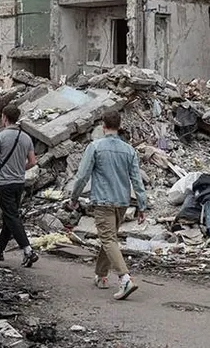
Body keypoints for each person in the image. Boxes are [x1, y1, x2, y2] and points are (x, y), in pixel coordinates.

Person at [68, 111, 147, 300]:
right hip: (122, 202)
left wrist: (74, 197)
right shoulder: (129, 150)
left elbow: (82, 176)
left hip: (103, 201)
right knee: (109, 238)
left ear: (103, 127)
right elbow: (137, 180)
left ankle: (125, 279)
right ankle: (101, 275)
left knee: (108, 238)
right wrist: (142, 205)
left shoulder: (95, 147)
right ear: (119, 127)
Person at [0, 104, 39, 267]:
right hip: (19, 183)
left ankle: (28, 251)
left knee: (11, 216)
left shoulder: (0, 137)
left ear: (4, 117)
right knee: (10, 216)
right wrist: (20, 168)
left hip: (4, 184)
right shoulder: (26, 137)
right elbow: (33, 162)